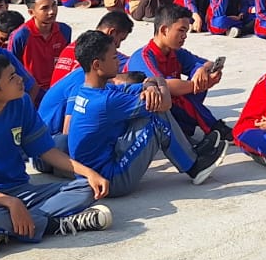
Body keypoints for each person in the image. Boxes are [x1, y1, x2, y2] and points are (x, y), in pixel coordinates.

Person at [0, 52, 112, 251]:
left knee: (85, 188)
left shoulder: (21, 102)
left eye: (15, 74)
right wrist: (10, 203)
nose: (20, 79)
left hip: (21, 191)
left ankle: (6, 229)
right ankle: (58, 225)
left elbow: (46, 151)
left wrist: (89, 173)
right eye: (11, 78)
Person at [64, 30, 226, 194]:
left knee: (151, 103)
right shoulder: (105, 101)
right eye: (114, 58)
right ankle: (194, 167)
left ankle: (190, 154)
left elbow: (137, 86)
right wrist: (160, 81)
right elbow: (165, 103)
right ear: (97, 65)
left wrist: (149, 86)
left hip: (97, 171)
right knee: (156, 113)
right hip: (109, 180)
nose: (118, 63)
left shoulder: (90, 90)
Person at [125, 2, 229, 142]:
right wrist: (197, 84)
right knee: (174, 92)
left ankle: (193, 126)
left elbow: (207, 63)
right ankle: (214, 127)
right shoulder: (143, 57)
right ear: (164, 30)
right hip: (145, 117)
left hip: (173, 111)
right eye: (181, 30)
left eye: (186, 32)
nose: (185, 36)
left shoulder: (175, 52)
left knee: (198, 75)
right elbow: (163, 85)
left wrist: (203, 70)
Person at [8, 0, 71, 97]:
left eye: (54, 5)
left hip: (57, 90)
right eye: (45, 8)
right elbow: (11, 67)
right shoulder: (20, 36)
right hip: (30, 92)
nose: (52, 11)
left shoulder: (64, 30)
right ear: (31, 12)